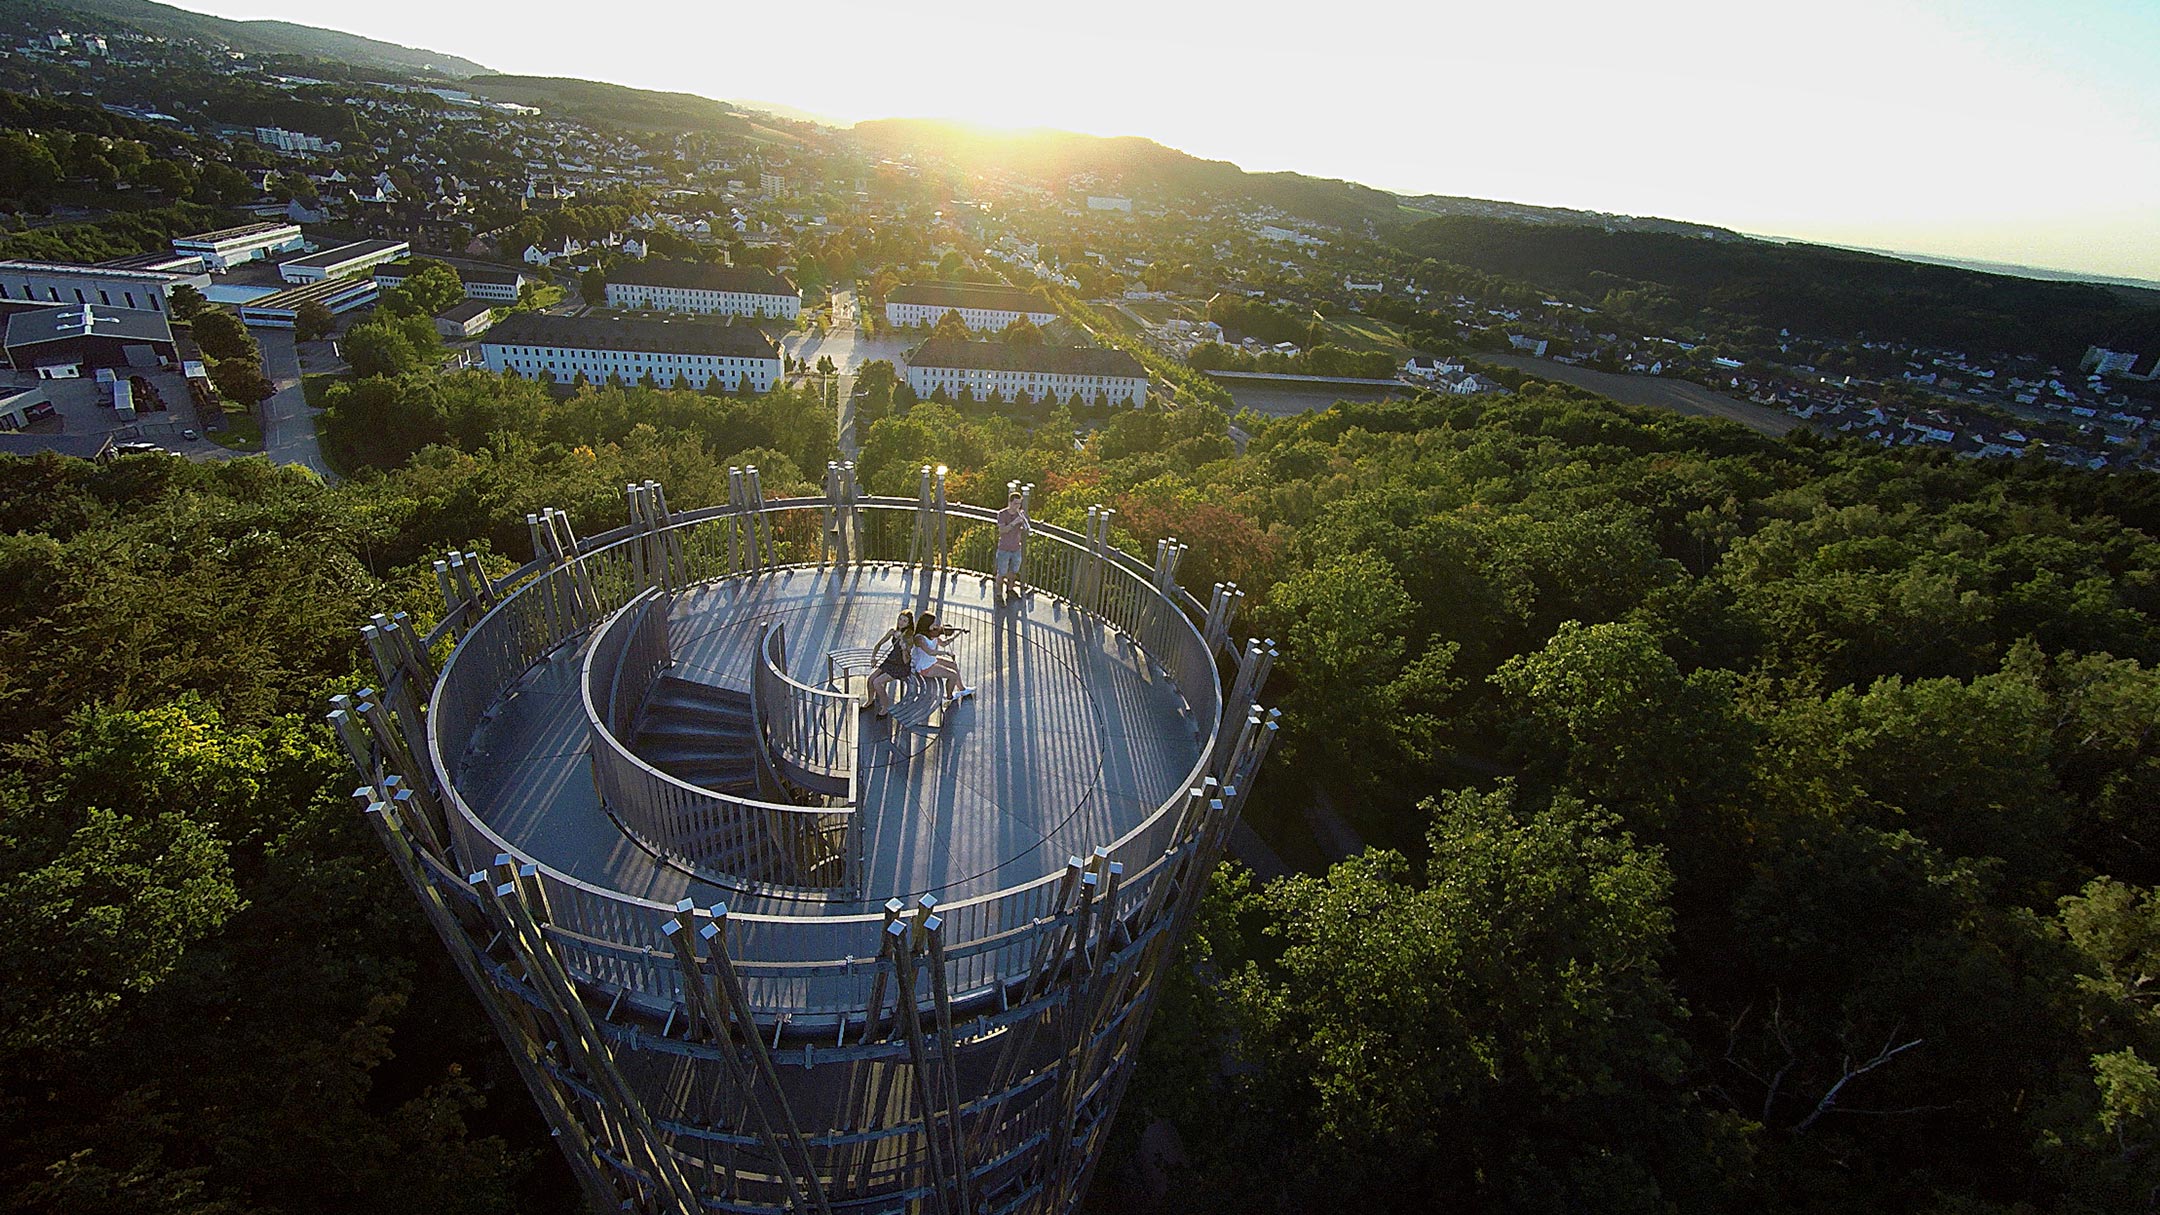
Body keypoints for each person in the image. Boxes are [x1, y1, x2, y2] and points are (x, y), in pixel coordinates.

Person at [910, 612, 973, 704]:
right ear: (927, 624)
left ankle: (962, 689)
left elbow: (943, 643)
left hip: (931, 661)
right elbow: (930, 652)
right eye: (934, 623)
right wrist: (946, 653)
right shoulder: (919, 638)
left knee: (953, 665)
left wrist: (958, 634)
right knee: (953, 675)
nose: (936, 625)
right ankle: (949, 697)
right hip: (924, 667)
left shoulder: (931, 633)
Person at [864, 610, 914, 718]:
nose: (901, 622)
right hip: (889, 661)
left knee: (877, 682)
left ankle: (885, 707)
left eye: (905, 621)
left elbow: (906, 660)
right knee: (871, 679)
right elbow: (878, 644)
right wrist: (873, 657)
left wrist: (904, 649)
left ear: (909, 624)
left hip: (900, 666)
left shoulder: (908, 637)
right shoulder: (893, 632)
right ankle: (870, 700)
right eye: (900, 619)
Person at [994, 491, 1031, 599]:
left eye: (1019, 504)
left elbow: (1025, 527)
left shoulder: (1020, 514)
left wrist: (1024, 522)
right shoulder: (1002, 514)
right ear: (1010, 503)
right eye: (1015, 503)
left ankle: (1010, 589)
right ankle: (999, 593)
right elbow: (1002, 530)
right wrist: (1014, 522)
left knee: (1014, 571)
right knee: (1001, 573)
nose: (1017, 506)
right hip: (1004, 548)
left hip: (1016, 548)